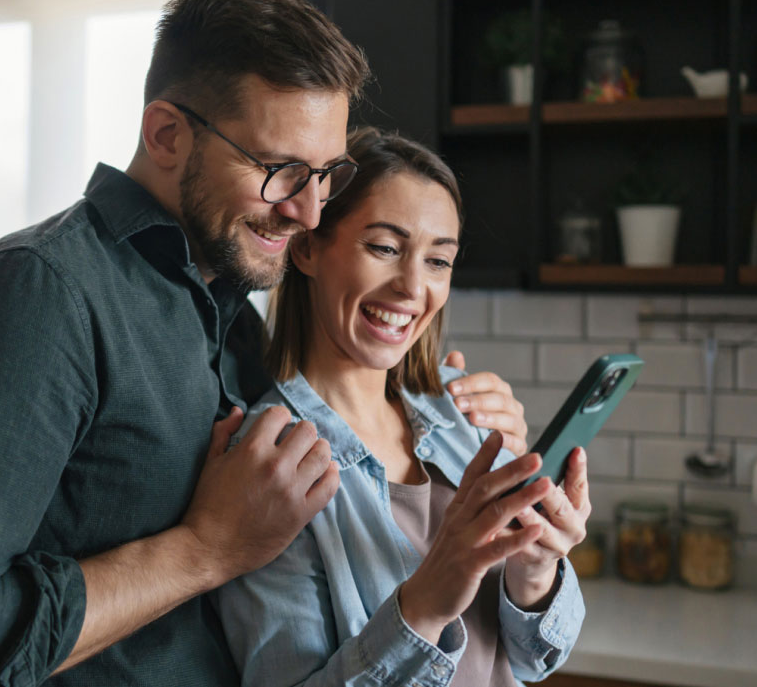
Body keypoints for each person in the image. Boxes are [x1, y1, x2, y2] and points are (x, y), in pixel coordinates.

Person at [0, 0, 528, 686]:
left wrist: (445, 408)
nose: (308, 211)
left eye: (325, 175)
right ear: (167, 134)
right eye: (280, 170)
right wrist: (203, 548)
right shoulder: (36, 293)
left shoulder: (232, 316)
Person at [213, 127, 588, 687]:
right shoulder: (272, 464)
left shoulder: (463, 413)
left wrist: (535, 569)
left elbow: (535, 658)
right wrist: (426, 605)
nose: (414, 288)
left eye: (439, 261)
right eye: (385, 248)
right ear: (308, 247)